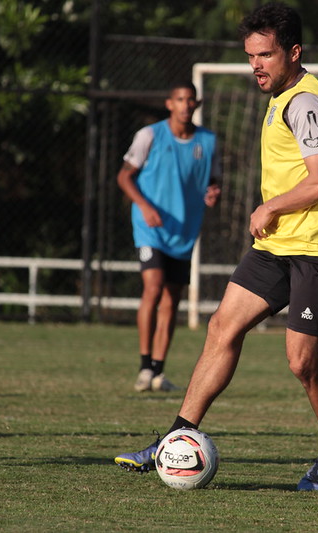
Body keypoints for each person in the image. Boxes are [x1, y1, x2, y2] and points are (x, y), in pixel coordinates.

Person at [114, 2, 318, 491]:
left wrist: (272, 207)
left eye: (265, 55)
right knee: (223, 326)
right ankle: (177, 435)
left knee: (302, 361)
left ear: (294, 52)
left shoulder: (305, 101)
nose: (255, 65)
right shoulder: (287, 98)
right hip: (279, 244)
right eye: (250, 55)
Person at [116, 81, 222, 392]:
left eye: (191, 100)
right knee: (153, 286)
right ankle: (144, 366)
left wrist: (214, 192)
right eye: (180, 99)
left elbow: (214, 181)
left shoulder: (209, 141)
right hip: (150, 227)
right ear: (169, 104)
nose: (186, 105)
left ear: (197, 104)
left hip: (184, 231)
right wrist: (145, 207)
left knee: (172, 299)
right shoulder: (150, 135)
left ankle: (159, 372)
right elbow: (124, 176)